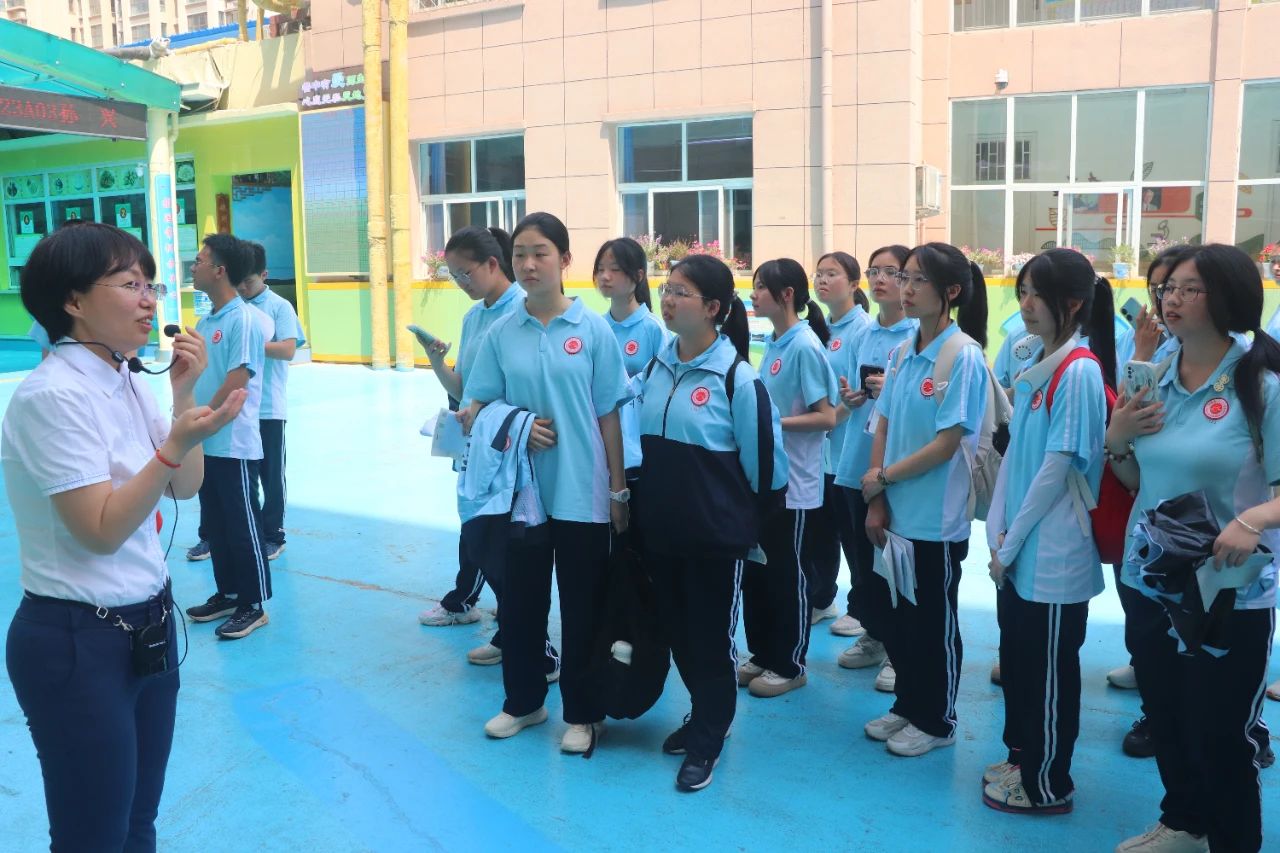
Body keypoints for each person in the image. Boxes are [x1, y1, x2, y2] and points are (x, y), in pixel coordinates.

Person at [3, 222, 244, 851]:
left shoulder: (130, 379)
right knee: (93, 836)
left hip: (146, 626)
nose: (149, 300)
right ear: (73, 301)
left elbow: (184, 486)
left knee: (137, 823)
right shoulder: (53, 397)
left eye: (151, 285)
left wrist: (183, 396)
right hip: (77, 641)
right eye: (130, 284)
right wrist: (172, 446)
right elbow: (100, 531)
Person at [1107, 244, 1280, 853]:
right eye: (1166, 289)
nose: (1169, 300)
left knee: (1220, 734)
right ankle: (1184, 821)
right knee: (1168, 714)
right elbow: (1135, 479)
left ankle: (1232, 840)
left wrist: (1254, 518)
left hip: (1226, 592)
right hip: (1151, 578)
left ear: (1226, 298)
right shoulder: (1153, 377)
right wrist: (1118, 439)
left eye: (1188, 289)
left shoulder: (1262, 387)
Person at [462, 212, 631, 753]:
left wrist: (618, 490)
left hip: (582, 490)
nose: (529, 264)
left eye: (540, 253)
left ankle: (583, 714)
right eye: (520, 255)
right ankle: (524, 703)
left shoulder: (593, 330)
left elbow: (609, 414)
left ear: (565, 260)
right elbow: (477, 405)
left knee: (583, 607)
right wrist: (518, 425)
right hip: (521, 496)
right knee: (521, 603)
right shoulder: (501, 332)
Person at [639, 254, 787, 791]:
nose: (669, 299)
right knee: (678, 633)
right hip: (661, 534)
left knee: (710, 639)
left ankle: (710, 735)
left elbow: (768, 474)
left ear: (713, 308)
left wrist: (734, 529)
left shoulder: (737, 379)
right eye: (667, 289)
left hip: (713, 542)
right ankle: (704, 714)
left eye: (682, 292)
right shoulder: (657, 367)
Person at [981, 248, 1116, 815]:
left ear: (1074, 303)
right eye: (1023, 292)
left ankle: (1047, 783)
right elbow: (1017, 459)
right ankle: (1023, 758)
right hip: (1019, 551)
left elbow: (1058, 468)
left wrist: (1009, 542)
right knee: (1021, 664)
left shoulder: (1079, 371)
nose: (1026, 304)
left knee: (1049, 675)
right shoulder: (1040, 364)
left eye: (1038, 294)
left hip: (1052, 555)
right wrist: (998, 532)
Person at [860, 242, 990, 757]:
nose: (906, 289)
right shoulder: (902, 353)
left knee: (933, 623)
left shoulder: (963, 356)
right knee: (900, 619)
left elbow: (947, 443)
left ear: (951, 291)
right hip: (895, 512)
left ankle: (936, 720)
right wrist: (877, 497)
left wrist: (883, 478)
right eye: (904, 277)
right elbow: (883, 423)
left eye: (918, 280)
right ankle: (908, 705)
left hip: (935, 521)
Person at [417, 226, 560, 679]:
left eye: (466, 272)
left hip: (517, 451)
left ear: (493, 264)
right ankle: (512, 636)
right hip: (482, 447)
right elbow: (466, 390)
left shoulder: (523, 310)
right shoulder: (474, 317)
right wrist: (436, 360)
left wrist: (520, 427)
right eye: (454, 275)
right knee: (485, 543)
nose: (462, 282)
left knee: (514, 552)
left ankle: (538, 648)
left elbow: (535, 386)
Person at [737, 258, 837, 699]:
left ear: (787, 295)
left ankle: (790, 663)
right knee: (758, 570)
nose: (753, 294)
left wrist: (771, 424)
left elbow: (826, 417)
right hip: (768, 479)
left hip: (795, 484)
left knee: (787, 573)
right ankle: (763, 653)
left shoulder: (804, 346)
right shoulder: (777, 343)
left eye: (761, 287)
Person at [832, 245, 917, 693]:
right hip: (856, 460)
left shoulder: (917, 334)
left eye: (892, 272)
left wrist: (893, 389)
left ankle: (902, 650)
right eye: (875, 271)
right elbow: (852, 398)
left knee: (894, 562)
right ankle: (876, 633)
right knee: (861, 559)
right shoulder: (864, 333)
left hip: (894, 465)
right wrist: (852, 398)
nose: (881, 279)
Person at [183, 234, 272, 640]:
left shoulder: (244, 319)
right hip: (206, 439)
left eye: (200, 260)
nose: (193, 266)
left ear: (219, 270)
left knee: (242, 523)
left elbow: (239, 378)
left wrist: (206, 417)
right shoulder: (208, 321)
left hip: (232, 441)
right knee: (215, 523)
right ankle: (229, 593)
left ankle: (253, 604)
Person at [594, 236, 669, 550]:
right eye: (600, 269)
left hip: (640, 457)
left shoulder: (653, 329)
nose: (605, 276)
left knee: (638, 542)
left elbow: (663, 393)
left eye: (615, 269)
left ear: (638, 276)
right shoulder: (595, 328)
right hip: (600, 451)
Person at [810, 251, 872, 628]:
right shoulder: (821, 328)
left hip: (849, 449)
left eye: (831, 273)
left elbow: (858, 392)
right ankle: (821, 599)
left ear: (853, 283)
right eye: (818, 273)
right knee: (821, 532)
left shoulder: (862, 329)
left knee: (854, 535)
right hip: (821, 450)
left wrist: (829, 419)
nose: (822, 280)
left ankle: (861, 610)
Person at [235, 242, 305, 561]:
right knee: (242, 473)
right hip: (238, 405)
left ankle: (274, 534)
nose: (243, 288)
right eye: (238, 281)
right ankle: (247, 531)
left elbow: (288, 349)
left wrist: (250, 343)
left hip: (267, 407)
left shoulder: (279, 306)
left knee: (271, 474)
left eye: (248, 281)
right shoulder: (235, 305)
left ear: (264, 275)